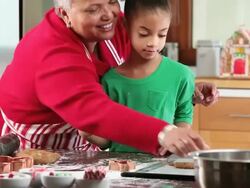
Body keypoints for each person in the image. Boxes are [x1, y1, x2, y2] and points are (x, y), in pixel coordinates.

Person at [0, 0, 216, 156]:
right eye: (94, 9)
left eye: (112, 2)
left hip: (84, 142)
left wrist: (181, 87)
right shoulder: (51, 50)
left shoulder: (113, 26)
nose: (108, 15)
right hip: (30, 145)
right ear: (65, 14)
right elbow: (92, 109)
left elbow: (136, 75)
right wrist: (163, 132)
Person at [79, 0, 199, 155]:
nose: (153, 42)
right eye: (144, 34)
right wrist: (88, 133)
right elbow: (107, 140)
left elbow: (183, 118)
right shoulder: (110, 81)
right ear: (126, 27)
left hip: (162, 168)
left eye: (162, 34)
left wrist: (177, 144)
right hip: (120, 169)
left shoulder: (182, 75)